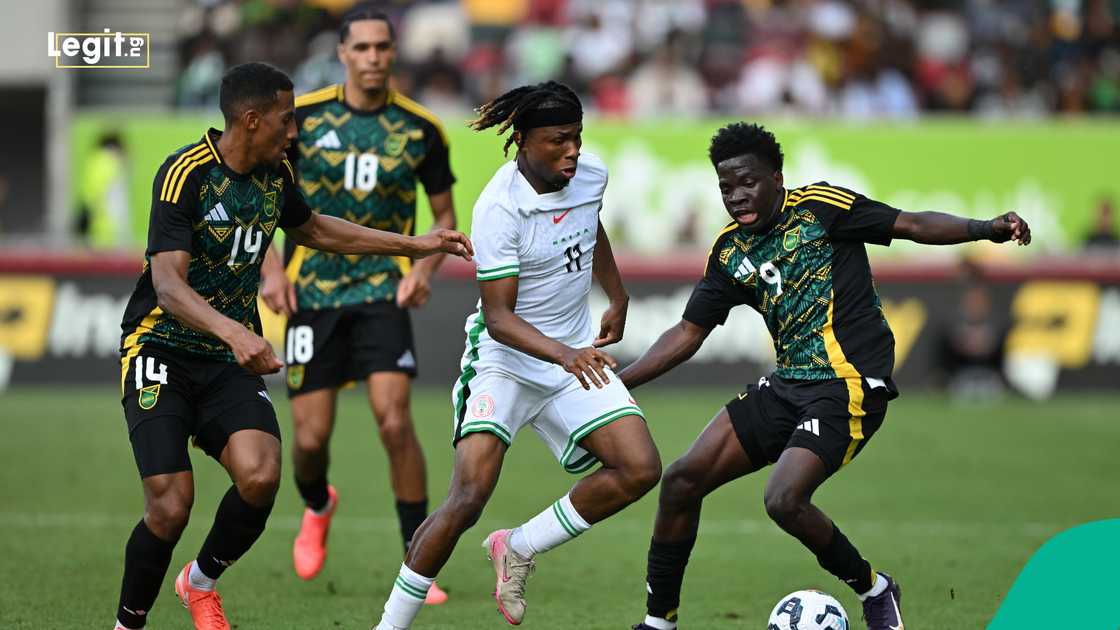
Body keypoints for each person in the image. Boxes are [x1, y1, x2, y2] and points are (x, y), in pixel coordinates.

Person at [621, 122, 1031, 630]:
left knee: (783, 498)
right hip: (789, 382)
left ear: (776, 177)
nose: (737, 196)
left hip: (851, 384)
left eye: (748, 182)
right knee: (682, 480)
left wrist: (984, 228)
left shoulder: (821, 208)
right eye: (726, 187)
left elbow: (911, 225)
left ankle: (875, 589)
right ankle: (659, 623)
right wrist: (621, 381)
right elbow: (687, 332)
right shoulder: (730, 252)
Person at [112, 62, 471, 630]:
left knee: (260, 477)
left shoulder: (275, 173)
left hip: (227, 360)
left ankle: (199, 583)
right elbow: (169, 286)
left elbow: (320, 230)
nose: (295, 131)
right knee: (171, 504)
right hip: (160, 349)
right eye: (287, 119)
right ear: (251, 120)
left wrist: (416, 244)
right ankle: (127, 623)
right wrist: (237, 332)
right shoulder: (185, 174)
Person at [372, 81, 662, 629]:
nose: (573, 150)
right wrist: (565, 355)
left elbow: (589, 225)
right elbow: (501, 319)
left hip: (569, 355)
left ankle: (520, 546)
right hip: (505, 361)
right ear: (524, 140)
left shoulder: (589, 174)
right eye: (559, 140)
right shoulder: (499, 208)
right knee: (467, 496)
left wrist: (617, 294)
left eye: (577, 137)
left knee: (641, 467)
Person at [258, 7, 455, 603]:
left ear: (393, 53)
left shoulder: (421, 130)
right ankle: (318, 504)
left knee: (395, 422)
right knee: (311, 441)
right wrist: (271, 271)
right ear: (343, 53)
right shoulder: (304, 119)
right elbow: (260, 192)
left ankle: (417, 561)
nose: (373, 57)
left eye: (383, 47)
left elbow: (444, 217)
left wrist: (423, 270)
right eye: (362, 47)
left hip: (380, 290)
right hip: (311, 290)